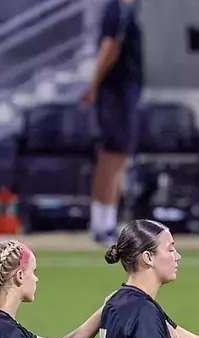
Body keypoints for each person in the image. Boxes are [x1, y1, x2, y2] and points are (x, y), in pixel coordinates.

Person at [83, 0, 144, 245]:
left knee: (114, 158)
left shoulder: (126, 9)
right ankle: (103, 224)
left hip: (121, 94)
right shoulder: (117, 8)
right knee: (113, 157)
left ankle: (103, 221)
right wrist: (94, 83)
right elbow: (111, 46)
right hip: (117, 95)